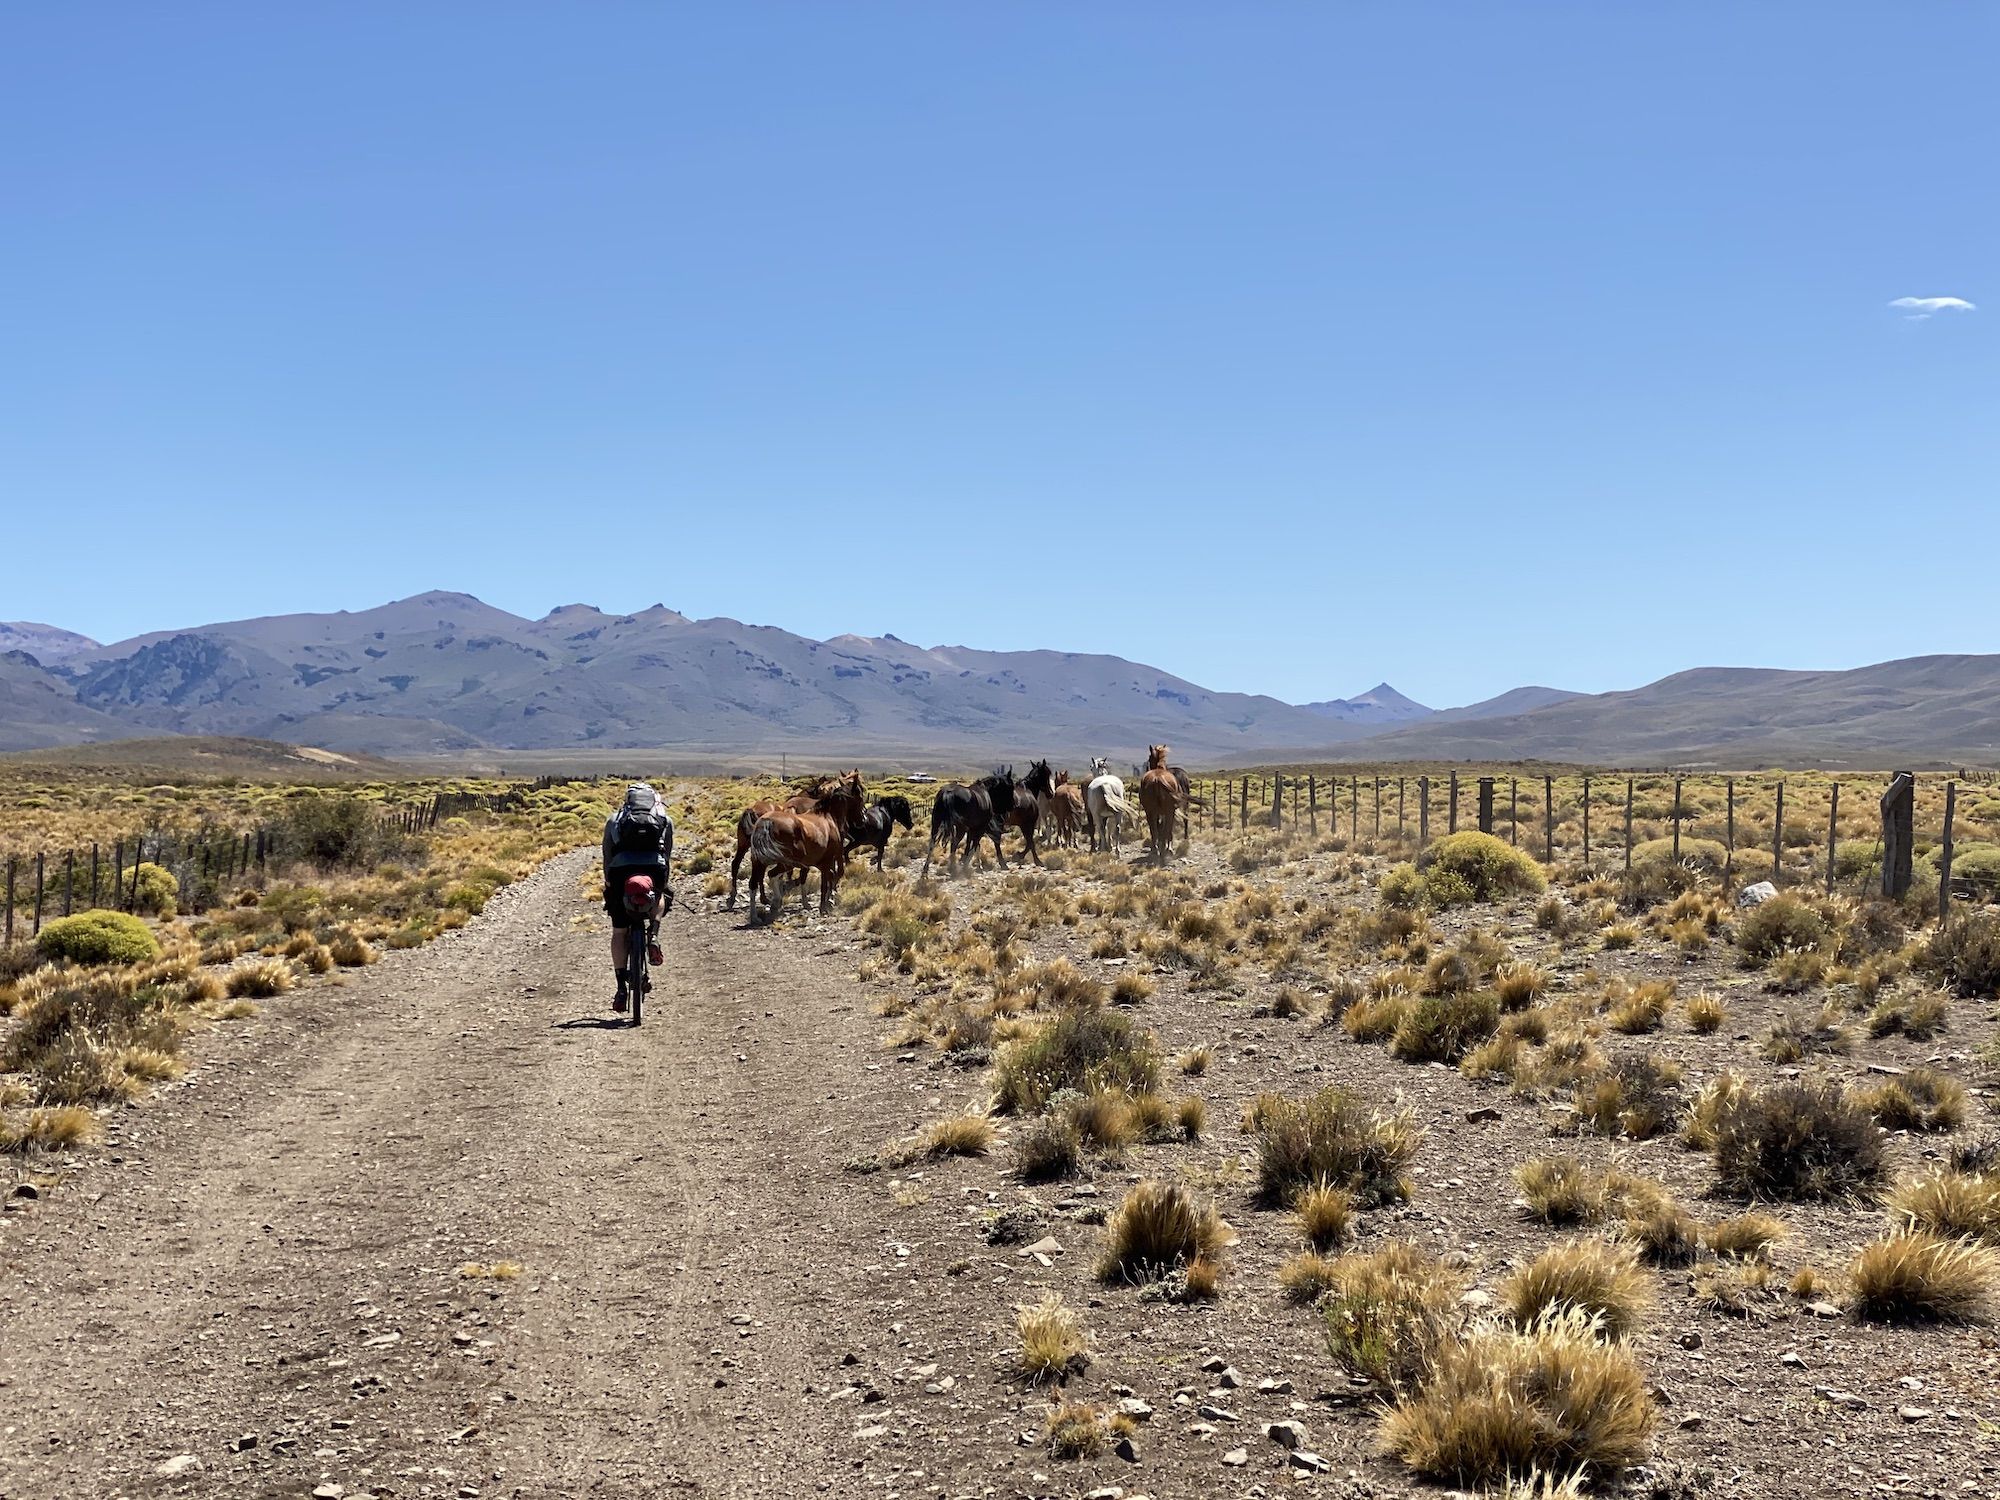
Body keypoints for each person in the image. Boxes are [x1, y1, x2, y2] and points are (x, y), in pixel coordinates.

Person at [602, 782, 674, 1012]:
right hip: (654, 869)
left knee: (619, 932)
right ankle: (653, 933)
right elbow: (667, 852)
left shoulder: (615, 819)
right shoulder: (664, 818)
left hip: (621, 871)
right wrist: (664, 876)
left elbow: (607, 852)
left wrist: (610, 881)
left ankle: (621, 987)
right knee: (661, 893)